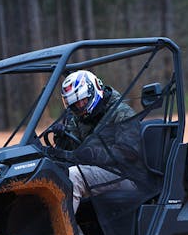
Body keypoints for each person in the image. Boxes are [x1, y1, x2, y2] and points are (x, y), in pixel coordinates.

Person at [46, 70, 140, 213]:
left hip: (127, 175)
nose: (80, 106)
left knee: (75, 176)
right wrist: (62, 137)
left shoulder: (121, 112)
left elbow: (130, 152)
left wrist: (95, 153)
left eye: (83, 101)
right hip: (98, 172)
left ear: (94, 90)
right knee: (56, 171)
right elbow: (74, 150)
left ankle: (64, 234)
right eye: (75, 104)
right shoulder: (80, 118)